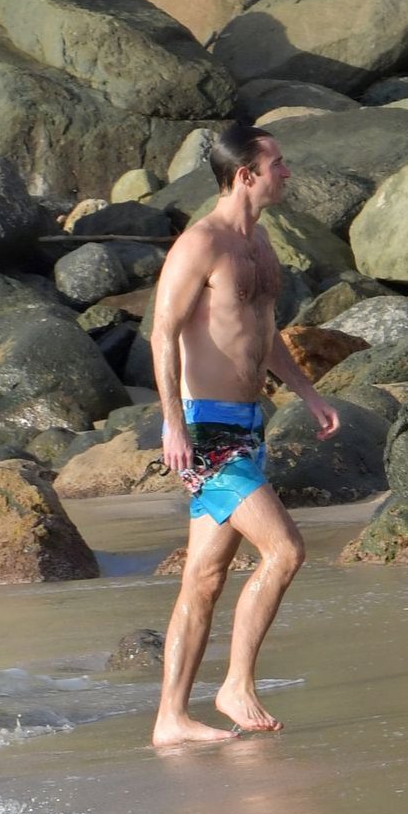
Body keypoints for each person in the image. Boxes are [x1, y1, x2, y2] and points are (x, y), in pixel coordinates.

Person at [149, 123, 339, 749]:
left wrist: (306, 392)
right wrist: (173, 422)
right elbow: (163, 334)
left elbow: (263, 331)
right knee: (284, 550)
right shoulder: (199, 245)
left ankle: (170, 719)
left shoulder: (260, 244)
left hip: (249, 425)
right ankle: (235, 685)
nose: (287, 173)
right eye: (277, 163)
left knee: (204, 578)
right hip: (207, 429)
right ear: (245, 175)